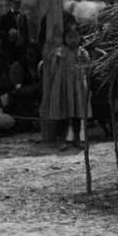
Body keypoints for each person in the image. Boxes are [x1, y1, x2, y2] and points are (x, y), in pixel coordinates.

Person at [41, 18, 89, 149]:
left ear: (80, 37)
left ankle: (77, 138)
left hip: (76, 88)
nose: (73, 39)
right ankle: (60, 140)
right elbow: (52, 67)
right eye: (69, 37)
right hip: (62, 88)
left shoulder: (82, 52)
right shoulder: (60, 51)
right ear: (64, 38)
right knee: (62, 114)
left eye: (75, 36)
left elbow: (86, 67)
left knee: (77, 115)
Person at [0, 0, 32, 68]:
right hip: (9, 50)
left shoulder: (23, 17)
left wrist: (26, 45)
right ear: (11, 3)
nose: (18, 5)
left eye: (19, 3)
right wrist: (8, 34)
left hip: (21, 51)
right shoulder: (4, 17)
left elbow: (26, 33)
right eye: (16, 3)